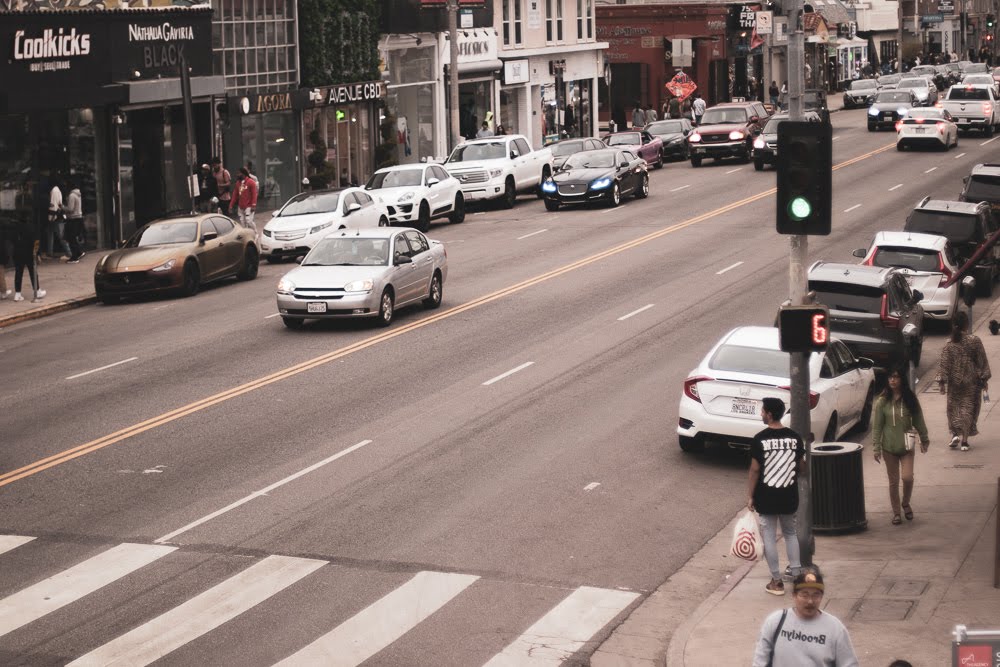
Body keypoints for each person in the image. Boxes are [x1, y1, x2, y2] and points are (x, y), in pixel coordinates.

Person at [748, 397, 805, 596]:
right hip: (789, 494)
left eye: (763, 411)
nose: (761, 414)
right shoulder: (795, 438)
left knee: (769, 537)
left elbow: (755, 470)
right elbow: (802, 467)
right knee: (790, 533)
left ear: (770, 414)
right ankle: (797, 577)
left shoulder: (760, 439)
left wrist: (750, 496)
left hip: (766, 496)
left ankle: (776, 581)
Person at [751, 569, 860, 667]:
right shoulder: (775, 621)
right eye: (804, 595)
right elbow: (760, 661)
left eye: (816, 595)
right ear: (794, 595)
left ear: (821, 597)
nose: (810, 601)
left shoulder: (835, 629)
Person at [872, 365, 930, 525]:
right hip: (888, 448)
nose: (892, 380)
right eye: (890, 377)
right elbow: (877, 427)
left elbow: (919, 419)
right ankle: (897, 512)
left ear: (902, 379)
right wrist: (876, 447)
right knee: (893, 482)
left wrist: (924, 438)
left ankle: (905, 502)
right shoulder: (882, 402)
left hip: (906, 447)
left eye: (896, 377)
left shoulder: (910, 399)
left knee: (907, 477)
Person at [939, 310, 991, 451]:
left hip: (954, 382)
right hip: (971, 381)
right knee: (968, 408)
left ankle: (955, 434)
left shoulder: (949, 343)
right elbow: (982, 361)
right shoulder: (974, 341)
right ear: (966, 324)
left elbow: (944, 363)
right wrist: (984, 378)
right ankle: (965, 441)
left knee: (954, 408)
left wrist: (942, 382)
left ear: (953, 325)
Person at [10, 216, 44, 302]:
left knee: (18, 273)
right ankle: (37, 291)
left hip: (18, 253)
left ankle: (17, 294)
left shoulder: (15, 228)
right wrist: (37, 254)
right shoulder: (32, 227)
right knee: (33, 272)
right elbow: (36, 241)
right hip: (29, 253)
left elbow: (12, 240)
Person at [230, 167, 258, 234]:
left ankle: (255, 233)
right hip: (241, 206)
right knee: (242, 223)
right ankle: (247, 235)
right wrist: (231, 205)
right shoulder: (238, 183)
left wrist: (253, 205)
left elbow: (254, 194)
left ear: (243, 173)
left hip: (249, 206)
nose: (237, 175)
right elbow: (234, 195)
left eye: (238, 173)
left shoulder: (251, 182)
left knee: (249, 221)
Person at [63, 180, 85, 264]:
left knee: (70, 238)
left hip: (73, 219)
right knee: (73, 237)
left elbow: (70, 209)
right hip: (78, 218)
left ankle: (74, 257)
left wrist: (62, 207)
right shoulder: (78, 194)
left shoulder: (72, 195)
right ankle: (78, 252)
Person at [48, 177, 69, 260]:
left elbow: (53, 204)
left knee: (60, 235)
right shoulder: (58, 190)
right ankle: (49, 252)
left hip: (55, 216)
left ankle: (69, 253)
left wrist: (52, 216)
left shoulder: (54, 190)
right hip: (58, 215)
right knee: (51, 233)